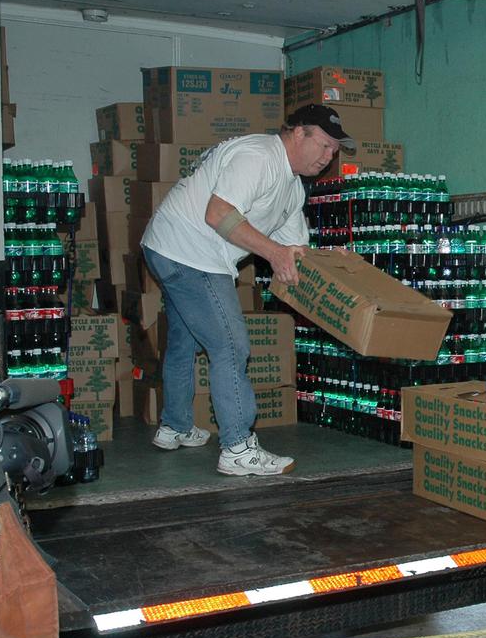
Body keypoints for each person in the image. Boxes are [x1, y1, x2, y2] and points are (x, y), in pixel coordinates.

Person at [140, 104, 353, 476]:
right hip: (190, 252)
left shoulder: (291, 187)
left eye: (335, 150)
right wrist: (272, 253)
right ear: (298, 132)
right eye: (324, 145)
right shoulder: (260, 157)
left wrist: (332, 262)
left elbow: (295, 252)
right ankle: (237, 448)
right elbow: (218, 214)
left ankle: (174, 426)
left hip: (167, 247)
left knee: (184, 341)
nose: (329, 157)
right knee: (231, 345)